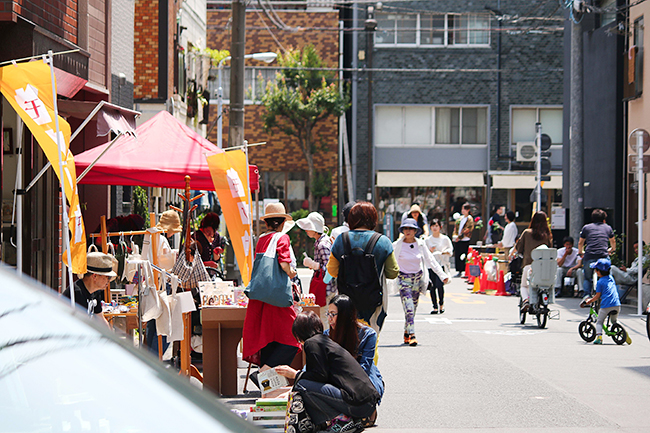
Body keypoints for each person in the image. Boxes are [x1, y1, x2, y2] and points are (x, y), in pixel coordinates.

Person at [275, 311, 379, 433]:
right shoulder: (324, 341)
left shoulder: (312, 343)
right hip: (366, 404)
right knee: (304, 384)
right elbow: (322, 377)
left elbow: (319, 376)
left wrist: (295, 374)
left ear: (299, 333)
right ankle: (335, 422)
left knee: (302, 385)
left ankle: (342, 420)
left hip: (357, 403)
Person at [243, 203, 299, 385]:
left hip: (262, 296)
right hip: (279, 297)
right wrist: (292, 273)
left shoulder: (262, 239)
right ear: (282, 222)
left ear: (267, 222)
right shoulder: (282, 238)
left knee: (268, 337)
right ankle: (263, 373)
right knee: (293, 338)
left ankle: (268, 389)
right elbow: (284, 264)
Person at [327, 202, 399, 334]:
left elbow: (332, 270)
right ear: (373, 219)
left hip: (346, 301)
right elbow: (393, 272)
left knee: (348, 337)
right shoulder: (383, 241)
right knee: (371, 337)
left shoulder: (340, 240)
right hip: (374, 301)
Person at [393, 218, 450, 346]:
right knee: (409, 308)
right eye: (405, 229)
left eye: (410, 229)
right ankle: (412, 334)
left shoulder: (421, 244)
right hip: (403, 280)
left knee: (413, 309)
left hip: (417, 280)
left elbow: (431, 260)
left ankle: (406, 332)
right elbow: (388, 260)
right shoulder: (397, 245)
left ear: (415, 231)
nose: (408, 231)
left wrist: (442, 275)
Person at [324, 295, 384, 409]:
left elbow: (364, 368)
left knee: (367, 387)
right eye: (328, 314)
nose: (329, 318)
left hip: (360, 378)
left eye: (333, 314)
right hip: (338, 378)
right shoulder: (327, 335)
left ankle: (367, 408)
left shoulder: (368, 335)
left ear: (345, 316)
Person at [510, 211, 553, 312]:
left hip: (529, 266)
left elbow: (518, 248)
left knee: (524, 286)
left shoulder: (527, 233)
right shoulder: (547, 235)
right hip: (545, 267)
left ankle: (525, 301)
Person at [62, 252, 117, 327]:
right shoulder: (77, 293)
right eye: (108, 277)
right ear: (94, 276)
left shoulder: (95, 292)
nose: (109, 281)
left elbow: (101, 319)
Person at [297, 211, 335, 305]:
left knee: (323, 316)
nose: (306, 230)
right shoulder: (323, 241)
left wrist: (314, 265)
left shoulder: (322, 244)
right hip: (327, 289)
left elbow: (329, 269)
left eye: (308, 227)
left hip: (326, 290)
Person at [578, 209, 615, 297]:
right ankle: (607, 294)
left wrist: (580, 252)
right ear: (604, 219)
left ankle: (586, 296)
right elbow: (613, 242)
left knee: (587, 277)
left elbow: (580, 243)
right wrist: (612, 249)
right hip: (603, 255)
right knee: (606, 276)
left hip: (589, 255)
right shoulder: (608, 227)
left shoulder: (586, 227)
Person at [584, 258, 621, 345]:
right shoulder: (611, 278)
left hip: (606, 306)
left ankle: (599, 337)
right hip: (617, 304)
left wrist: (590, 301)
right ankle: (621, 330)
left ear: (598, 272)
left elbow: (597, 296)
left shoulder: (600, 282)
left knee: (599, 322)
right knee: (614, 321)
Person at [425, 218, 453, 314]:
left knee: (440, 285)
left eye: (436, 226)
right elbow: (424, 253)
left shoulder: (445, 239)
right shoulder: (427, 240)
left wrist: (445, 252)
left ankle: (441, 304)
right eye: (433, 226)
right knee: (432, 286)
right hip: (431, 265)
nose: (435, 228)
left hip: (441, 264)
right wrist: (430, 250)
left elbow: (450, 250)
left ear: (440, 227)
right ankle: (435, 307)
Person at [452, 203, 474, 277]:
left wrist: (460, 237)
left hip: (465, 239)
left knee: (464, 255)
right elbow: (456, 227)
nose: (463, 211)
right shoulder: (460, 218)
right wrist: (455, 236)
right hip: (458, 239)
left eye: (464, 209)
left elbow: (468, 229)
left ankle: (464, 270)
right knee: (457, 255)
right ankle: (459, 270)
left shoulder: (470, 219)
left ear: (468, 210)